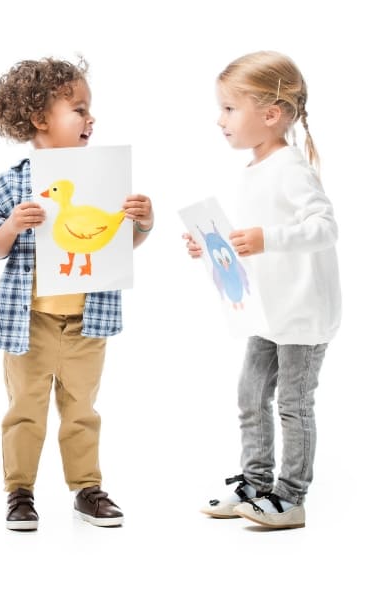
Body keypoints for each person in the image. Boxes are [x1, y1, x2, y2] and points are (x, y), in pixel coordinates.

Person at [0, 57, 154, 531]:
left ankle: (86, 488)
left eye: (88, 108)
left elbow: (117, 245)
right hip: (29, 320)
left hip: (87, 320)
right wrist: (13, 224)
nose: (89, 118)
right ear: (40, 119)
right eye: (78, 108)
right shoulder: (13, 182)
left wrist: (143, 223)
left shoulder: (104, 181)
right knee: (24, 411)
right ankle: (20, 492)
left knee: (82, 410)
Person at [183, 50, 341, 529]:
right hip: (266, 311)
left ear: (270, 115)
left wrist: (266, 239)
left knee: (293, 405)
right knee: (250, 395)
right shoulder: (255, 169)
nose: (220, 120)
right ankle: (256, 483)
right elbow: (252, 239)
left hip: (301, 315)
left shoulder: (290, 167)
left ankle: (290, 497)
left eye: (230, 109)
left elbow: (325, 226)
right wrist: (212, 246)